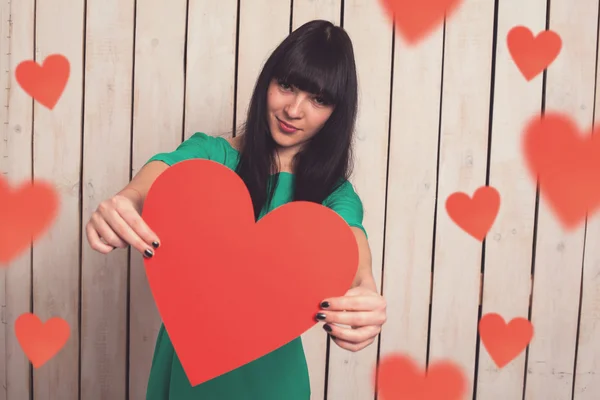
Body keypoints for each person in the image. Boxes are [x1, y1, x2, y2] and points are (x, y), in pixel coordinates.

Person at [86, 19, 387, 400]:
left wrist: (366, 292)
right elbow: (162, 172)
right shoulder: (213, 156)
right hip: (183, 372)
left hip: (272, 383)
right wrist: (126, 200)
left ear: (336, 112)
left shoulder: (334, 195)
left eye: (319, 99)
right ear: (267, 82)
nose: (294, 110)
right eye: (287, 86)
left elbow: (353, 247)